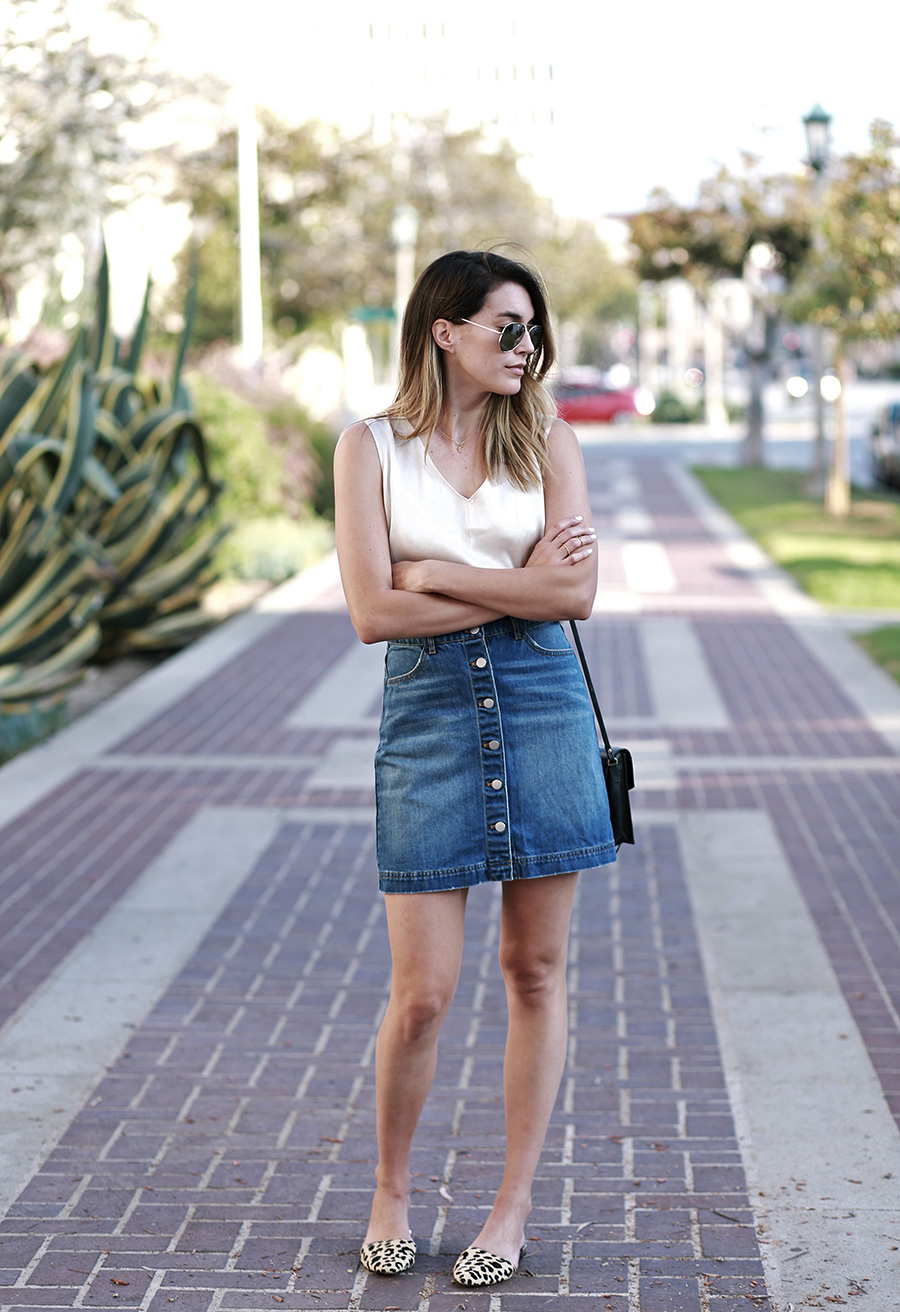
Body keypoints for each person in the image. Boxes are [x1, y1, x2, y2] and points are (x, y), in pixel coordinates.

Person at [333, 249, 616, 1288]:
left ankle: (510, 1209)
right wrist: (518, 582)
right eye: (508, 326)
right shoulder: (369, 449)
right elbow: (374, 614)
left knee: (534, 970)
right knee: (424, 990)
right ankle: (391, 1190)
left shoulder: (548, 438)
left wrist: (444, 573)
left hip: (545, 708)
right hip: (430, 717)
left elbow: (576, 599)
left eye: (535, 329)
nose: (526, 346)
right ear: (444, 329)